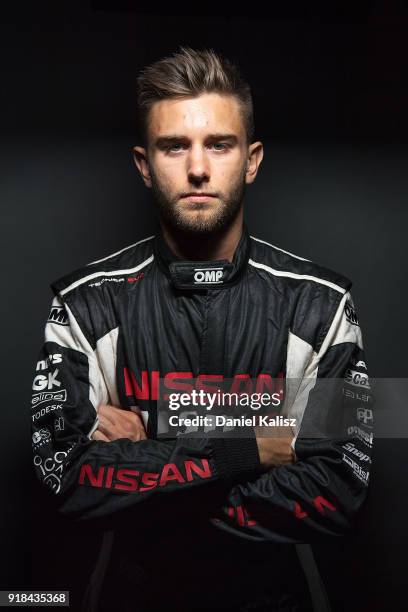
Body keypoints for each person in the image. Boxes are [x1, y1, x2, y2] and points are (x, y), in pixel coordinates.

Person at [31, 47, 373, 612]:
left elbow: (340, 492)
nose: (197, 167)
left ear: (252, 159)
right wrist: (249, 448)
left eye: (219, 144)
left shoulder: (323, 305)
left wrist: (153, 437)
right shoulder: (84, 303)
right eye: (174, 146)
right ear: (144, 164)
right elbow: (66, 484)